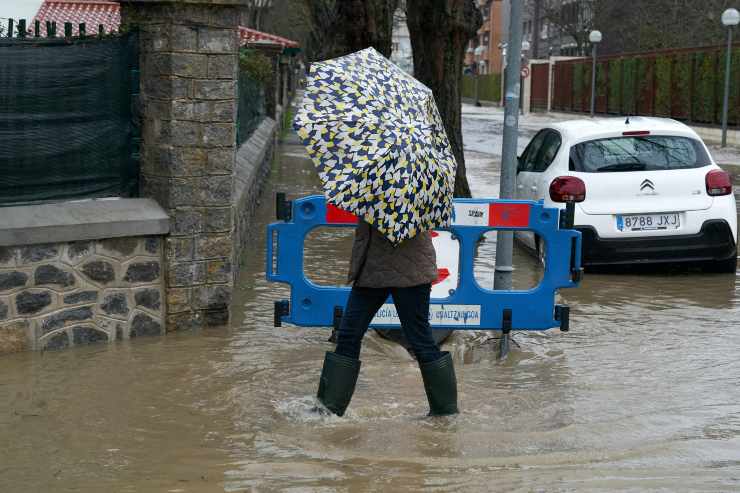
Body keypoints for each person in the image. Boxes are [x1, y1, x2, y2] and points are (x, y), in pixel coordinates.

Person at [315, 219, 459, 417]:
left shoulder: (388, 194)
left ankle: (445, 412)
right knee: (351, 334)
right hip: (379, 270)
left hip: (403, 272)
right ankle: (328, 410)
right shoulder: (405, 194)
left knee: (418, 340)